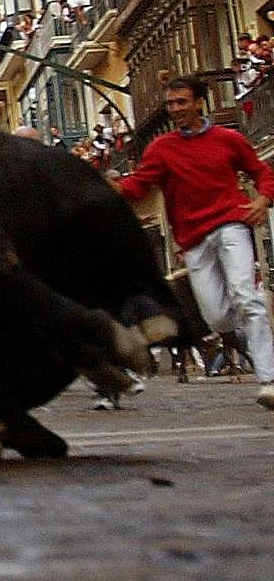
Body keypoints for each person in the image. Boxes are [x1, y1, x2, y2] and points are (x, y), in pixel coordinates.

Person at [113, 76, 274, 410]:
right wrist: (106, 188)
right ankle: (246, 332)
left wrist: (262, 200)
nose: (175, 110)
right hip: (192, 236)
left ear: (200, 102)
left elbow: (261, 172)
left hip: (231, 221)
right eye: (171, 104)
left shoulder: (229, 139)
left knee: (246, 295)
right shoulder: (161, 149)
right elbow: (139, 186)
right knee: (216, 318)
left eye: (182, 102)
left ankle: (269, 379)